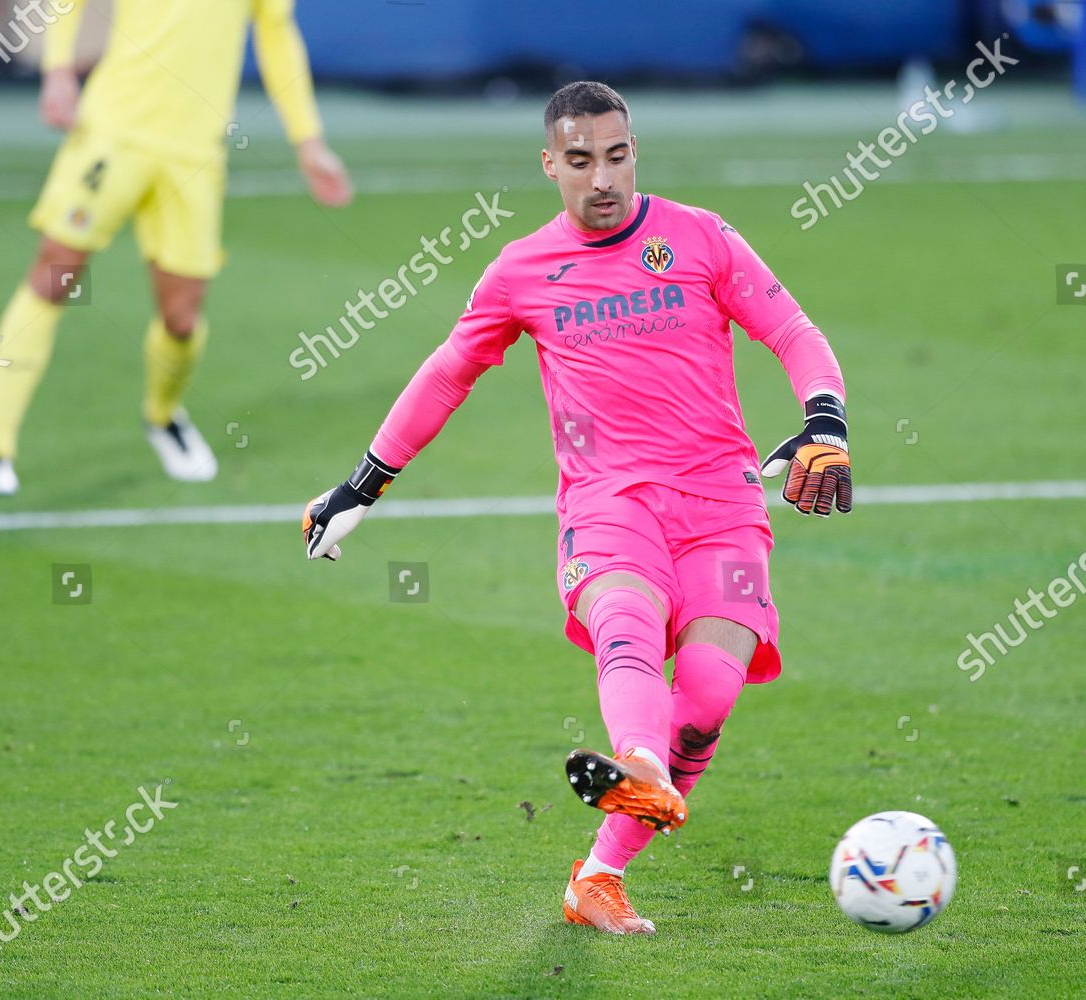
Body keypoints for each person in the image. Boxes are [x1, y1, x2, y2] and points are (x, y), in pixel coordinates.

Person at [302, 81, 851, 935]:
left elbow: (794, 331)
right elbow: (450, 371)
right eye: (582, 161)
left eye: (618, 156)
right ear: (550, 164)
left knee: (706, 697)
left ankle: (598, 875)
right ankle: (638, 761)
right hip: (608, 507)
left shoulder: (701, 237)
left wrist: (826, 420)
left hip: (723, 507)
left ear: (636, 152)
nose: (603, 179)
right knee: (625, 621)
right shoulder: (523, 269)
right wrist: (363, 485)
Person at [0, 0, 353, 497]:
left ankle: (163, 417)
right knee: (55, 271)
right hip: (113, 131)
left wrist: (308, 140)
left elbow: (277, 34)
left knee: (182, 317)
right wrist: (58, 69)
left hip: (195, 153)